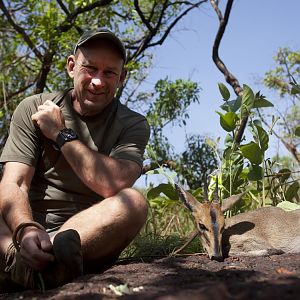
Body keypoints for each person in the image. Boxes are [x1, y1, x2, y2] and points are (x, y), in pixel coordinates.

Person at [0, 29, 150, 292]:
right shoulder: (33, 107)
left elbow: (112, 183)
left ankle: (47, 259)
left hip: (82, 237)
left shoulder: (133, 124)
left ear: (121, 78)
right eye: (90, 68)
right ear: (71, 66)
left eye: (109, 73)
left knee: (134, 203)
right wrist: (25, 230)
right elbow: (16, 183)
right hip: (20, 230)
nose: (97, 81)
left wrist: (60, 134)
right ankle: (23, 264)